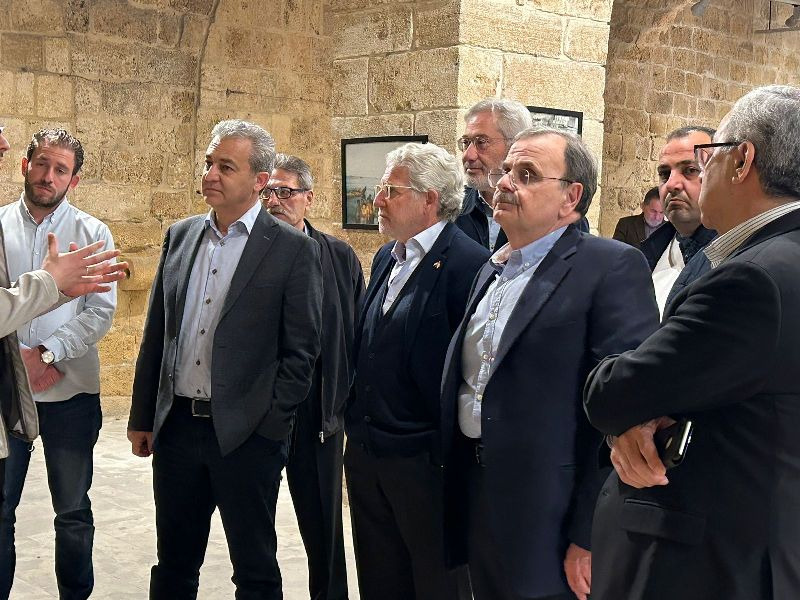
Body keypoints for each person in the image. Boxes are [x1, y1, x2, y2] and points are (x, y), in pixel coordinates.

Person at [584, 85, 800, 600]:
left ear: (742, 159)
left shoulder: (754, 279)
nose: (693, 177)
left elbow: (614, 392)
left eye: (707, 156)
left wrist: (634, 409)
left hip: (714, 557)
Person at [440, 128, 659, 600]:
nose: (504, 182)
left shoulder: (610, 265)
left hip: (551, 510)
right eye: (506, 171)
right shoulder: (492, 268)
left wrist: (590, 531)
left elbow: (624, 409)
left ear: (571, 197)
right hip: (478, 489)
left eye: (527, 174)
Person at [127, 120, 323, 599]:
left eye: (226, 167)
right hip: (177, 430)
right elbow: (158, 333)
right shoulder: (180, 235)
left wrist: (271, 426)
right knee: (173, 564)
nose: (210, 174)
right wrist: (143, 416)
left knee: (254, 570)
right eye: (208, 163)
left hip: (245, 435)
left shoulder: (292, 250)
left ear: (260, 181)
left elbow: (302, 351)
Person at [345, 142, 489, 600]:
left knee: (434, 585)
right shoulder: (387, 257)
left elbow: (468, 366)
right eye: (380, 188)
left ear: (430, 198)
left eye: (392, 190)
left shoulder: (468, 264)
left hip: (425, 464)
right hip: (369, 453)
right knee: (379, 580)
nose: (378, 200)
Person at [0, 128, 118, 600]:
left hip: (69, 394)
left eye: (61, 169)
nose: (49, 176)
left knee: (72, 511)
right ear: (24, 165)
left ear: (75, 179)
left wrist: (47, 352)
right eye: (42, 164)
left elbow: (100, 311)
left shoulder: (92, 234)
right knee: (1, 511)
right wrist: (19, 363)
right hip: (7, 394)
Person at [262, 154, 364, 600]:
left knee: (324, 530)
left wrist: (346, 402)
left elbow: (356, 334)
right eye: (268, 191)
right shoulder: (248, 253)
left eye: (286, 192)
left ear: (309, 198)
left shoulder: (338, 256)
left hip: (318, 411)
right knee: (255, 530)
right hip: (260, 411)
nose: (275, 200)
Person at [640, 126, 717, 315]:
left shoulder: (736, 256)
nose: (671, 184)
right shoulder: (649, 251)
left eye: (690, 170)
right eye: (665, 174)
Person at [455, 99, 533, 251]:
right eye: (466, 142)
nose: (468, 155)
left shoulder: (549, 213)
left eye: (481, 142)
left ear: (514, 146)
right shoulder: (451, 208)